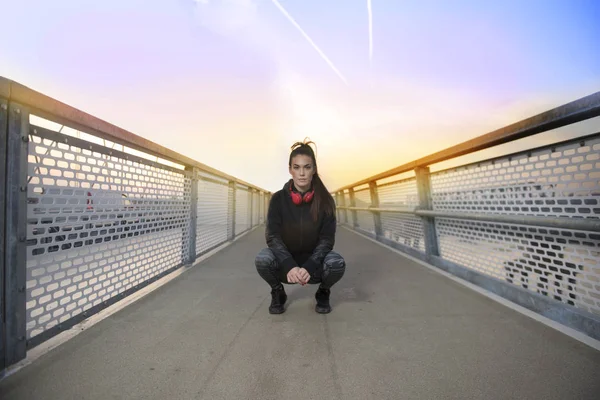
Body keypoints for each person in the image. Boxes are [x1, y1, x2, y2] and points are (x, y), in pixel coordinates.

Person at [255, 139, 346, 314]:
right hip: (286, 266)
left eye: (307, 167)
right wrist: (290, 265)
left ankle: (323, 292)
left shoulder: (326, 201)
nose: (302, 173)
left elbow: (327, 240)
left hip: (314, 266)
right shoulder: (278, 199)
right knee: (263, 258)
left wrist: (309, 266)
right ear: (290, 170)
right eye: (297, 167)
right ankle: (277, 292)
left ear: (314, 169)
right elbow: (272, 236)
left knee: (337, 263)